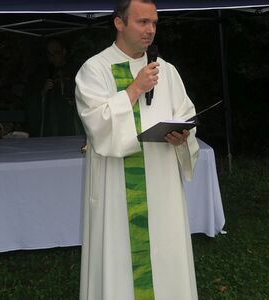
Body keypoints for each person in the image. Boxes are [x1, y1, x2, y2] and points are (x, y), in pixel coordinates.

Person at [75, 0, 199, 299]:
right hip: (116, 185)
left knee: (165, 248)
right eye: (142, 22)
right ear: (119, 23)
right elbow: (97, 124)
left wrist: (183, 135)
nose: (150, 31)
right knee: (119, 252)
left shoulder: (166, 70)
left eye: (154, 23)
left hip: (161, 180)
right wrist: (133, 89)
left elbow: (185, 113)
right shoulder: (95, 69)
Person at [25, 38, 84, 137]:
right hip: (51, 122)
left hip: (72, 119)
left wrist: (77, 99)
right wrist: (43, 91)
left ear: (64, 52)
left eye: (55, 53)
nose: (52, 57)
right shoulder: (42, 72)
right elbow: (31, 97)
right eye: (49, 54)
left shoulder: (76, 70)